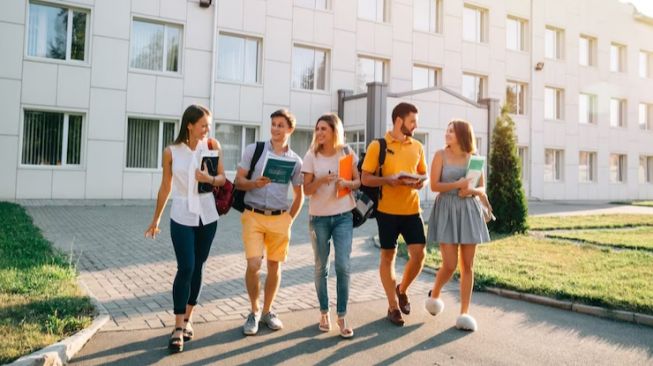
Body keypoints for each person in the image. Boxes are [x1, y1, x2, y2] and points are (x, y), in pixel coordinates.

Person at [145, 104, 226, 353]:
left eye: (209, 126)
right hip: (181, 214)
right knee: (186, 266)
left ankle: (189, 319)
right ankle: (178, 326)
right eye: (203, 125)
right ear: (189, 125)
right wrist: (155, 219)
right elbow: (166, 186)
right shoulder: (171, 152)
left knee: (199, 266)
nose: (207, 130)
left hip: (207, 215)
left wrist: (209, 180)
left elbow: (223, 178)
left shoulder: (212, 147)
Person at [235, 109, 304, 336]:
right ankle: (254, 311)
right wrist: (255, 184)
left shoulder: (295, 161)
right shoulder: (253, 150)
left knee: (275, 266)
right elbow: (238, 181)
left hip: (279, 218)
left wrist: (289, 220)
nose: (275, 129)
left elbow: (299, 194)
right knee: (254, 265)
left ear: (290, 129)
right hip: (253, 215)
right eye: (273, 124)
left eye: (280, 125)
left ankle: (267, 311)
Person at [361, 102, 428, 326]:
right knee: (387, 257)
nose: (415, 126)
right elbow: (365, 178)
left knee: (419, 256)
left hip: (412, 210)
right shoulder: (377, 146)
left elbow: (422, 173)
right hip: (386, 212)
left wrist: (420, 183)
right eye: (412, 121)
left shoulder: (417, 146)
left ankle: (402, 289)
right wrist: (387, 180)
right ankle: (392, 306)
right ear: (399, 120)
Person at [424, 119, 491, 332]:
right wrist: (458, 184)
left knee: (468, 265)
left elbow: (482, 188)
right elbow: (434, 186)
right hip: (446, 210)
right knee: (450, 264)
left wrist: (470, 191)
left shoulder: (474, 159)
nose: (447, 134)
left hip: (469, 211)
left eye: (451, 131)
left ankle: (464, 313)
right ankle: (435, 294)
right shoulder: (440, 155)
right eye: (447, 130)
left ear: (462, 135)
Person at [302, 113, 360, 338]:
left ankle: (342, 315)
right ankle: (324, 312)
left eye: (323, 129)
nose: (319, 133)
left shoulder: (346, 152)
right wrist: (321, 180)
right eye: (317, 129)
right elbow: (306, 190)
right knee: (321, 267)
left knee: (343, 266)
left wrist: (347, 183)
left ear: (335, 131)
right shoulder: (311, 155)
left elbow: (359, 181)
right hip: (319, 218)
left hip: (343, 216)